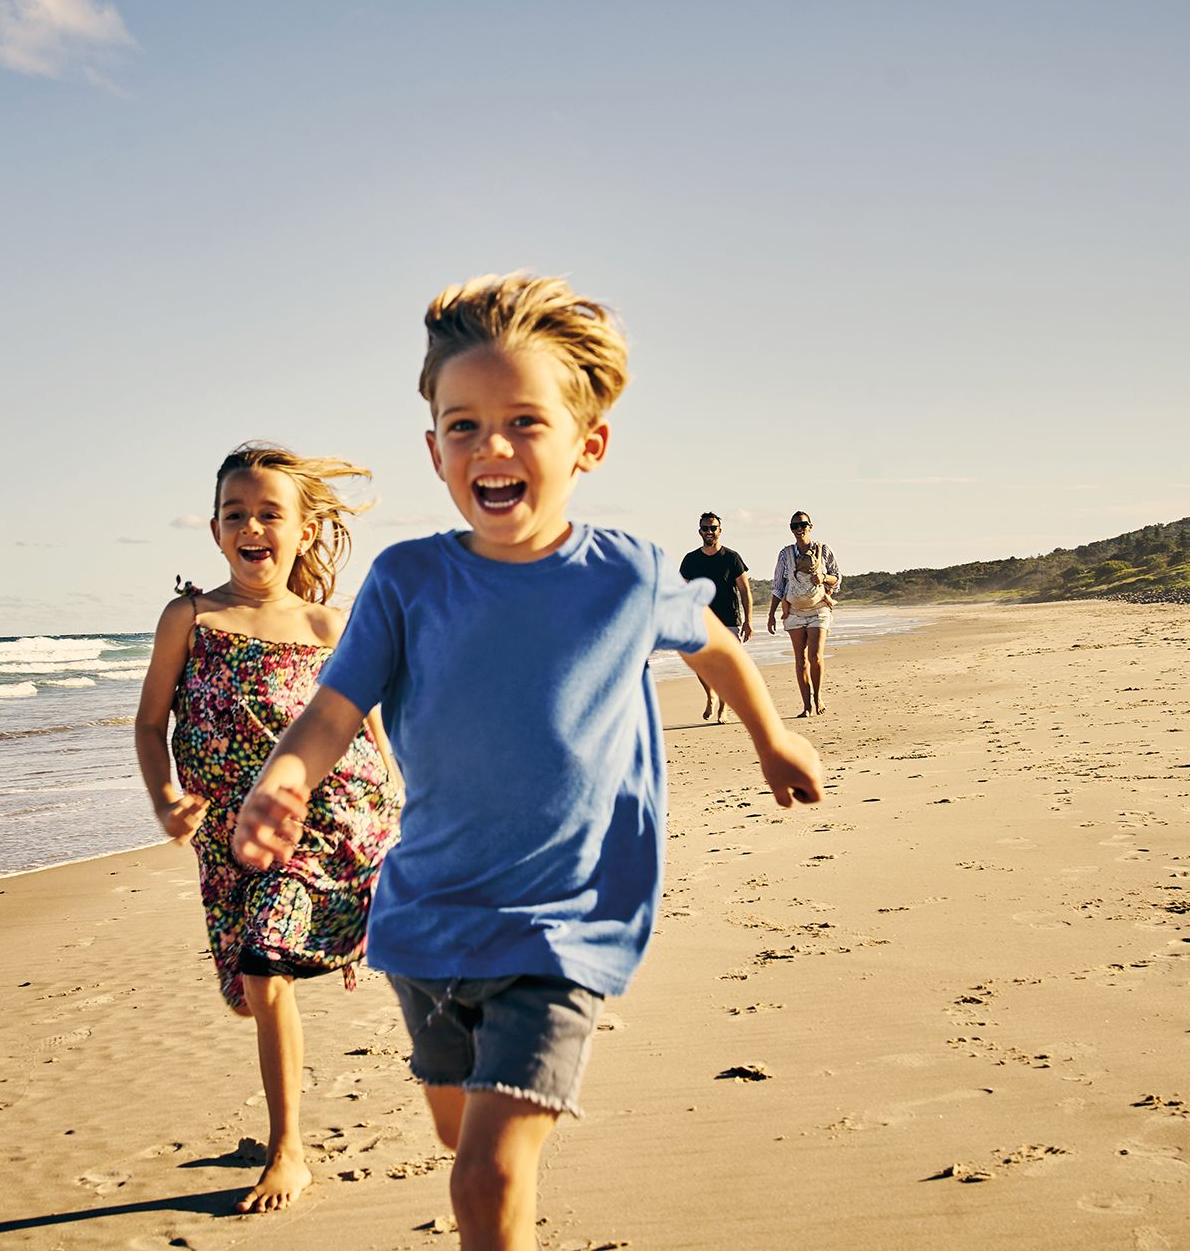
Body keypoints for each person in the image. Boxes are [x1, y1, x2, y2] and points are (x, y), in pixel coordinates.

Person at [233, 274, 823, 1250]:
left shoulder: (626, 571)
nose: (490, 447)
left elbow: (712, 639)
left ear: (588, 442)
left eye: (523, 422)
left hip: (565, 920)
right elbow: (336, 704)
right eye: (462, 426)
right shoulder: (408, 579)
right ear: (433, 449)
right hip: (425, 918)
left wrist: (772, 736)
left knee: (487, 1176)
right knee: (457, 1135)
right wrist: (287, 775)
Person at [133, 441, 402, 1215]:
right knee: (252, 988)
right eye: (235, 514)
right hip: (230, 838)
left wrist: (401, 793)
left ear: (305, 530)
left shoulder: (327, 624)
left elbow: (371, 730)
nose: (252, 526)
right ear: (216, 530)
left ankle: (289, 1152)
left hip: (332, 820)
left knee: (263, 964)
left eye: (269, 514)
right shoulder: (190, 617)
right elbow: (152, 725)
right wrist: (165, 798)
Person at [765, 511, 841, 717]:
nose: (799, 529)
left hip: (819, 609)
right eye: (794, 526)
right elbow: (778, 586)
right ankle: (806, 705)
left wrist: (823, 577)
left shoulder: (823, 550)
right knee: (800, 659)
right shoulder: (785, 554)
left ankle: (817, 697)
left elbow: (837, 577)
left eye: (803, 525)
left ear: (810, 526)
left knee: (814, 656)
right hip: (794, 612)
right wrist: (771, 614)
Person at [679, 511, 752, 722]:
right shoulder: (690, 560)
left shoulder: (732, 558)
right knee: (701, 663)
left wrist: (748, 621)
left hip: (729, 620)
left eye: (713, 528)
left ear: (720, 530)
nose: (709, 532)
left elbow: (745, 590)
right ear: (699, 531)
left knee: (728, 667)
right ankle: (710, 695)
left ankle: (723, 707)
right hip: (700, 621)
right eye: (705, 528)